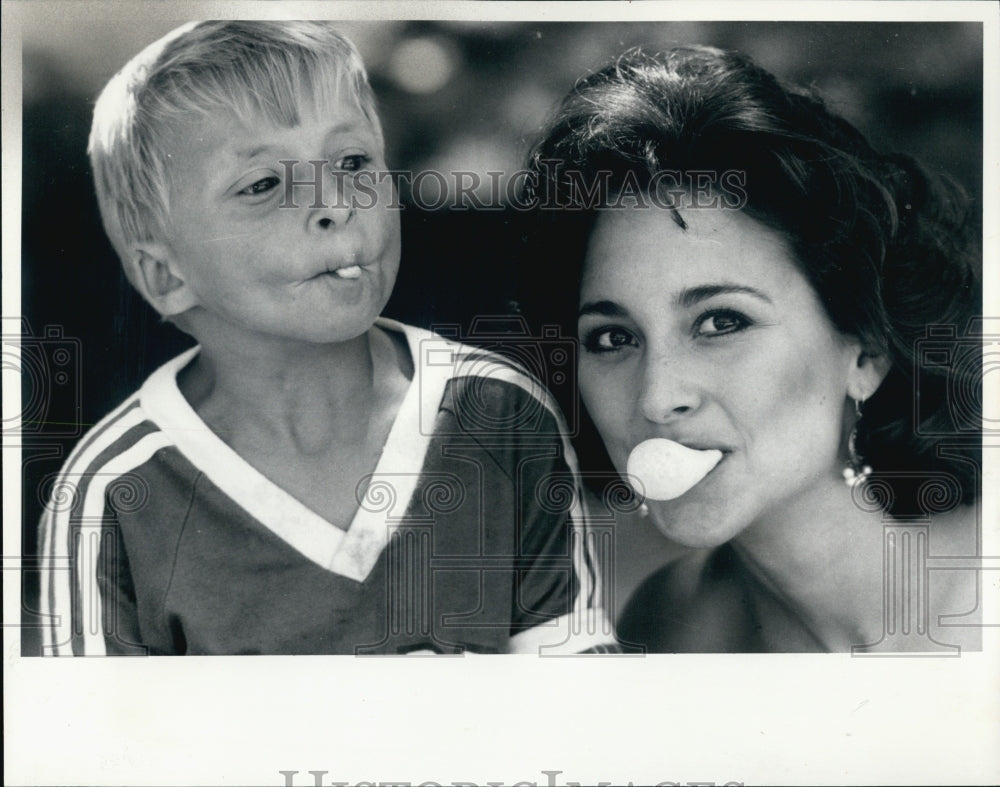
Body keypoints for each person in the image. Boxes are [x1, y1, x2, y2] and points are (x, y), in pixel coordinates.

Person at [37, 21, 614, 656]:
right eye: (262, 184)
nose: (335, 201)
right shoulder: (114, 492)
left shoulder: (501, 414)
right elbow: (100, 749)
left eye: (353, 161)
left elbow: (573, 700)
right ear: (165, 276)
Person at [522, 46, 982, 652]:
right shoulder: (668, 630)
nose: (657, 399)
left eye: (721, 322)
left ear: (866, 351)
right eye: (614, 338)